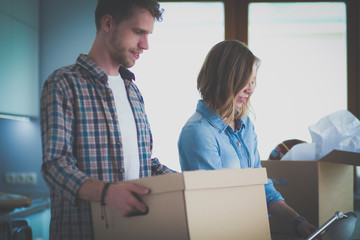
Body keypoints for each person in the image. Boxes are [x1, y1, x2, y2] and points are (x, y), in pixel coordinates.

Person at [40, 1, 174, 239]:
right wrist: (107, 193)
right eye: (138, 32)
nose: (145, 45)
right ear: (108, 23)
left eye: (148, 35)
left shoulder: (134, 92)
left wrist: (193, 184)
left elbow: (146, 164)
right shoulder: (63, 83)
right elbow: (55, 166)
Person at [178, 40, 317, 238]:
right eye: (244, 81)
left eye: (253, 81)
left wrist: (298, 222)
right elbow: (215, 205)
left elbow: (263, 187)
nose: (250, 90)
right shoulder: (198, 132)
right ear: (223, 79)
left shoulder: (245, 124)